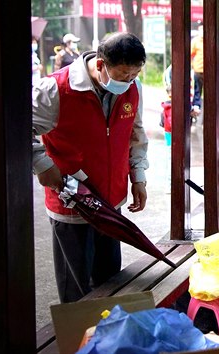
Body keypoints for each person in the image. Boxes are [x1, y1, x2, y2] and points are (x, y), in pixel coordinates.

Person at [32, 32, 148, 303]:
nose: (129, 82)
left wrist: (138, 176)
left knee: (110, 284)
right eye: (122, 75)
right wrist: (42, 163)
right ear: (100, 65)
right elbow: (16, 127)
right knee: (76, 291)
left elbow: (136, 134)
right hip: (71, 204)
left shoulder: (133, 86)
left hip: (110, 204)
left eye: (134, 74)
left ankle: (105, 340)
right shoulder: (55, 89)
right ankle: (77, 343)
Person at [190, 25, 204, 113]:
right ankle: (196, 107)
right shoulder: (195, 41)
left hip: (208, 70)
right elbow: (191, 53)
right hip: (198, 70)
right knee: (197, 90)